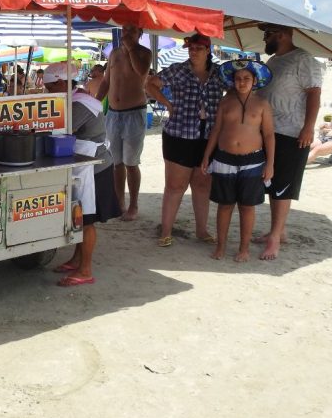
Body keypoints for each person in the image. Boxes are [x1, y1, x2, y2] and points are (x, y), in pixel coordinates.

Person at [42, 62, 121, 286]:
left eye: (50, 89)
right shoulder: (74, 99)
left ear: (60, 82)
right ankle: (77, 259)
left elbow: (60, 129)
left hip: (95, 167)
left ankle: (85, 270)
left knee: (87, 219)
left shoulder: (82, 104)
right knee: (79, 215)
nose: (48, 93)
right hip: (81, 164)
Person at [145, 33, 224, 246]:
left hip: (208, 137)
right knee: (175, 186)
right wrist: (168, 104)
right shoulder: (179, 69)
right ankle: (166, 232)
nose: (193, 51)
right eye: (191, 48)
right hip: (179, 134)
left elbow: (238, 90)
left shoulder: (219, 73)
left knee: (202, 185)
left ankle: (201, 231)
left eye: (198, 48)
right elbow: (150, 84)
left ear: (208, 50)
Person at [254, 23, 323, 260]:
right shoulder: (273, 61)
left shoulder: (303, 59)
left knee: (284, 186)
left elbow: (314, 93)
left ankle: (275, 238)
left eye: (267, 34)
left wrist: (308, 127)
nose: (264, 39)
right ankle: (278, 231)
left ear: (281, 35)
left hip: (292, 132)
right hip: (269, 131)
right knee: (273, 183)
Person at [201, 60, 275, 262]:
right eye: (238, 78)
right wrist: (207, 155)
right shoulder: (226, 102)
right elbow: (216, 130)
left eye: (246, 78)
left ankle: (244, 249)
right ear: (232, 81)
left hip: (253, 161)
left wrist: (270, 164)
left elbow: (268, 135)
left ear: (255, 80)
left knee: (247, 206)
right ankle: (221, 246)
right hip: (224, 158)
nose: (242, 82)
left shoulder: (262, 104)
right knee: (224, 205)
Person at [97, 24, 152, 221]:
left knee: (131, 163)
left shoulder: (145, 53)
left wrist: (130, 49)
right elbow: (106, 81)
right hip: (113, 113)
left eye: (132, 31)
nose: (126, 34)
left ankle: (133, 204)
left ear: (140, 33)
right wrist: (96, 103)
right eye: (124, 30)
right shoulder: (114, 54)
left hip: (133, 113)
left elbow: (141, 72)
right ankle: (119, 202)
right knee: (116, 162)